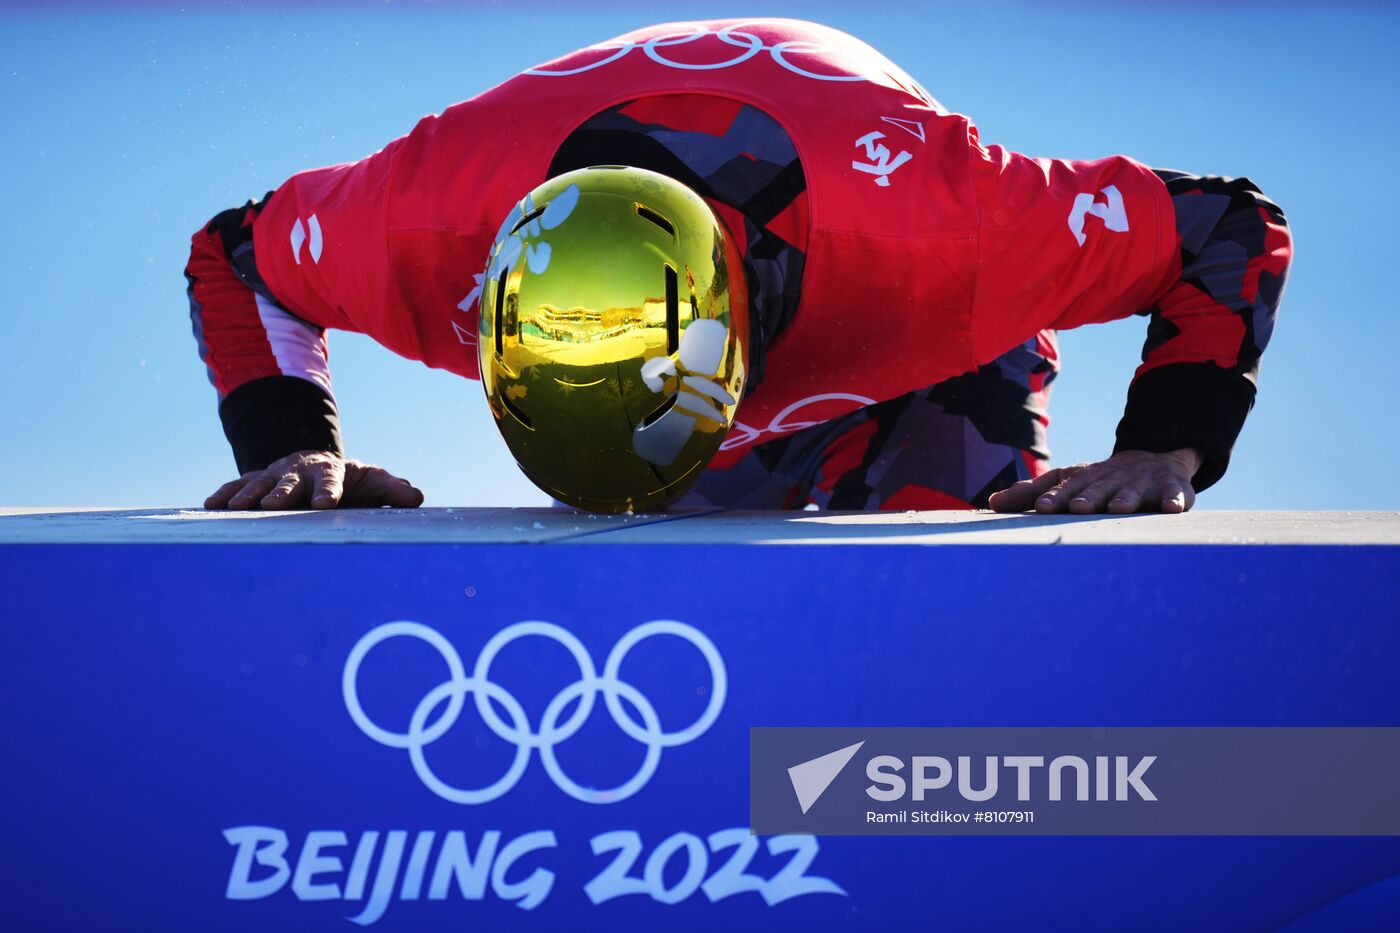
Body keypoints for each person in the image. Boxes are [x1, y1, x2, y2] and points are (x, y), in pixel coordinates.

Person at [185, 18, 1291, 514]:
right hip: (733, 234)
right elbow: (235, 259)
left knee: (940, 553)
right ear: (483, 319)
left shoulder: (948, 234)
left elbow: (1221, 229)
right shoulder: (413, 228)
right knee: (650, 517)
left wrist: (1166, 444)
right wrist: (292, 448)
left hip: (892, 311)